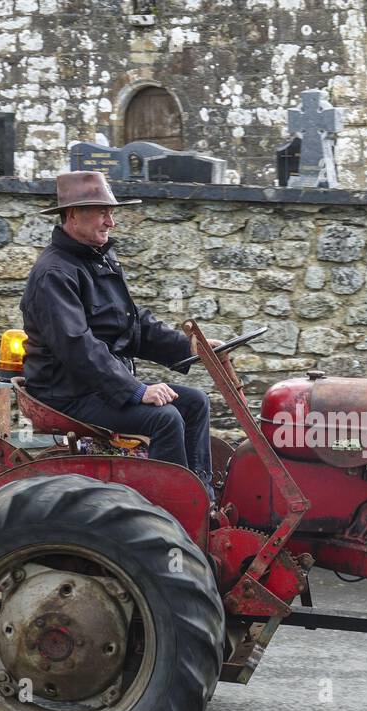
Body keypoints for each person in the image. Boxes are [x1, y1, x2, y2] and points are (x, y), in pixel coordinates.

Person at [20, 171, 214, 495]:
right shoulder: (54, 274)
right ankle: (172, 510)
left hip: (95, 387)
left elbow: (130, 325)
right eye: (102, 212)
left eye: (111, 212)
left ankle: (201, 497)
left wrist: (191, 347)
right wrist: (137, 390)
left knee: (195, 403)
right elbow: (78, 347)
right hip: (68, 392)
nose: (111, 222)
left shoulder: (99, 260)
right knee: (164, 418)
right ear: (72, 215)